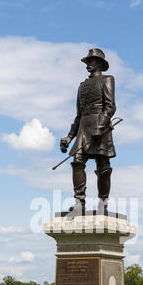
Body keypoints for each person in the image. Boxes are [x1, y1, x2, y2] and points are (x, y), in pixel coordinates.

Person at [60, 48, 116, 218]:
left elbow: (111, 106)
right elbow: (78, 115)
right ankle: (79, 203)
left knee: (103, 167)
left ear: (99, 63)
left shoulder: (108, 79)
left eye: (91, 61)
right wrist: (69, 137)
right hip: (84, 127)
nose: (88, 64)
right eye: (87, 61)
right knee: (77, 162)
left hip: (100, 125)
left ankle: (103, 203)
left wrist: (101, 125)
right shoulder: (82, 86)